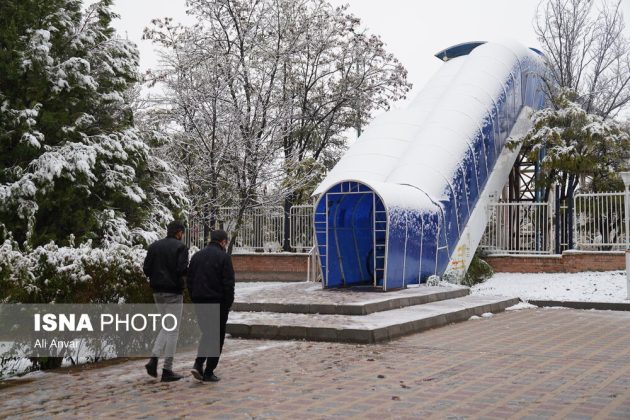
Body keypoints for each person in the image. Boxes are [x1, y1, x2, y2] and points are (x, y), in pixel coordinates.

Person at [142, 220, 189, 382]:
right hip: (174, 292)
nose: (182, 236)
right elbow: (182, 270)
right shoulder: (181, 248)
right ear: (178, 233)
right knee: (173, 330)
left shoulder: (154, 246)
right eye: (182, 233)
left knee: (166, 326)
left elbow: (146, 268)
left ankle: (153, 359)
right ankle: (167, 369)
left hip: (157, 292)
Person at [187, 229, 235, 382]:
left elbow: (189, 279)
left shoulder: (197, 256)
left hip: (200, 300)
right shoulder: (224, 257)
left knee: (207, 333)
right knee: (216, 336)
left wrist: (194, 296)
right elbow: (228, 284)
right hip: (217, 301)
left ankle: (198, 364)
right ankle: (208, 370)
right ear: (223, 242)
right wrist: (227, 304)